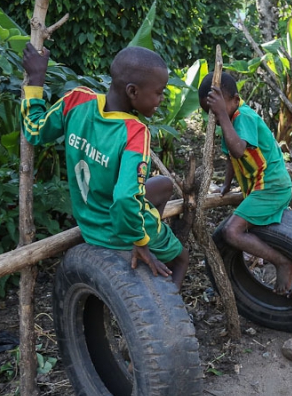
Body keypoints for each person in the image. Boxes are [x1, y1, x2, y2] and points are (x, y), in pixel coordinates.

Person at [20, 43, 189, 288]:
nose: (161, 100)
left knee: (163, 184)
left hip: (89, 222)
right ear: (133, 91)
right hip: (116, 230)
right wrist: (139, 241)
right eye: (159, 92)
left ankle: (150, 231)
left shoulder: (76, 100)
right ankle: (172, 309)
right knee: (183, 258)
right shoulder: (134, 132)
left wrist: (36, 78)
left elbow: (34, 130)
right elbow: (124, 198)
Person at [198, 72, 292, 296]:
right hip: (261, 187)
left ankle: (281, 261)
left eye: (217, 110)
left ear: (234, 99)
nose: (213, 116)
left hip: (271, 186)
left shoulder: (243, 117)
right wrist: (226, 185)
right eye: (209, 113)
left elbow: (239, 149)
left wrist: (222, 115)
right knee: (239, 226)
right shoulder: (230, 119)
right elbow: (233, 158)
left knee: (231, 232)